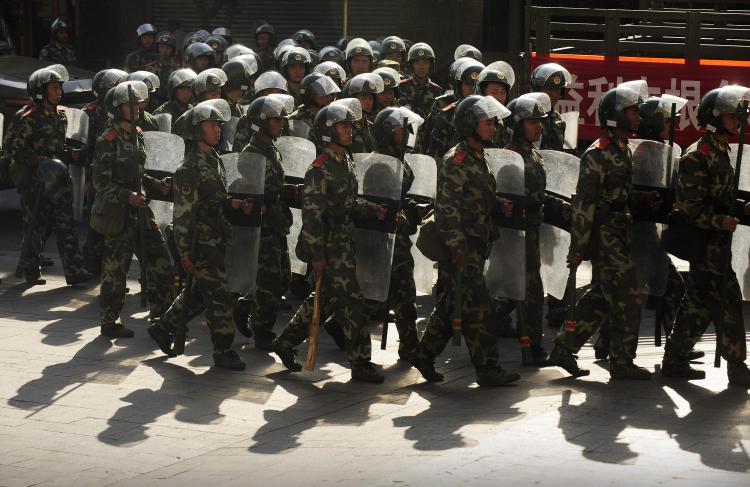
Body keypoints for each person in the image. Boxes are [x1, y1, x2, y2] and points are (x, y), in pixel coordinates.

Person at [272, 98, 388, 383]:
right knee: (353, 302)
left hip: (344, 241)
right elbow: (312, 217)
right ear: (328, 131)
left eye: (350, 126)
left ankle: (285, 341)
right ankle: (361, 362)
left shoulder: (344, 161)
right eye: (343, 127)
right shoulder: (319, 168)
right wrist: (318, 255)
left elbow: (348, 203)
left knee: (324, 300)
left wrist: (374, 210)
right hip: (329, 245)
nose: (349, 131)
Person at [545, 82, 656, 380]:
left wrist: (640, 198)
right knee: (629, 295)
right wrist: (577, 248)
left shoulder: (622, 148)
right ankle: (622, 361)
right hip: (606, 236)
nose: (637, 116)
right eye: (632, 111)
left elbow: (617, 192)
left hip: (620, 232)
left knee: (602, 296)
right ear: (616, 115)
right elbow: (585, 203)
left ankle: (564, 347)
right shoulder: (598, 153)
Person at [409, 95, 520, 387]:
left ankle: (423, 353)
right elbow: (447, 208)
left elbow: (476, 197)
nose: (493, 127)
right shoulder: (456, 160)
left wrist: (497, 204)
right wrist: (457, 247)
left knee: (453, 305)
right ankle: (488, 368)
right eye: (487, 122)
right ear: (470, 124)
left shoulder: (477, 155)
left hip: (476, 243)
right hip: (463, 248)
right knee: (479, 308)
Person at [147, 99, 248, 371]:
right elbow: (183, 215)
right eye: (211, 125)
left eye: (218, 124)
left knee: (201, 294)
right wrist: (185, 253)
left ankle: (163, 327)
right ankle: (223, 350)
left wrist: (233, 204)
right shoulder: (189, 168)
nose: (218, 129)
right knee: (220, 295)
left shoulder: (214, 159)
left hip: (217, 238)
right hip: (200, 243)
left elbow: (216, 199)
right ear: (196, 131)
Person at [661, 85, 750, 386]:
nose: (738, 119)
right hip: (705, 244)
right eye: (731, 114)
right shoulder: (698, 156)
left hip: (717, 243)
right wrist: (718, 220)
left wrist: (740, 207)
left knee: (697, 304)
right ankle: (737, 365)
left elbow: (719, 197)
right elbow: (687, 207)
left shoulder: (721, 151)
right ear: (715, 118)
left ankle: (674, 359)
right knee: (728, 300)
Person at [90, 80, 173, 338]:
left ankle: (162, 316)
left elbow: (138, 172)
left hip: (140, 211)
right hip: (117, 213)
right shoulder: (107, 139)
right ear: (117, 108)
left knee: (161, 261)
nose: (137, 107)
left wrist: (153, 183)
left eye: (137, 103)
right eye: (130, 104)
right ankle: (109, 320)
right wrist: (127, 197)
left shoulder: (137, 133)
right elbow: (100, 183)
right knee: (116, 269)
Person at [497, 92, 570, 365]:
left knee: (524, 293)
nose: (540, 126)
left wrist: (560, 206)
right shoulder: (509, 157)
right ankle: (531, 348)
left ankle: (530, 345)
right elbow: (503, 197)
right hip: (514, 236)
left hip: (531, 232)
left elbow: (538, 195)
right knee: (527, 294)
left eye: (541, 121)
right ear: (517, 124)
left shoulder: (534, 155)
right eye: (532, 121)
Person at [4, 66, 90, 286]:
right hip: (36, 181)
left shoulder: (60, 115)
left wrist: (71, 154)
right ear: (40, 91)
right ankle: (31, 269)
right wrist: (38, 160)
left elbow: (57, 147)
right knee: (36, 226)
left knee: (66, 224)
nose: (59, 92)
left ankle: (75, 271)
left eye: (60, 88)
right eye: (54, 88)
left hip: (59, 179)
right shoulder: (26, 117)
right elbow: (12, 150)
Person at [235, 94, 297, 349]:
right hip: (263, 227)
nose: (280, 124)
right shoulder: (251, 153)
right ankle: (262, 331)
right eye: (275, 120)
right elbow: (254, 189)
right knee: (270, 280)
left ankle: (245, 305)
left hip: (277, 222)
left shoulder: (272, 149)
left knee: (284, 278)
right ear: (260, 122)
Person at [372, 106, 425, 360]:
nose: (407, 133)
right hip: (383, 241)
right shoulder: (381, 164)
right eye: (400, 129)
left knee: (404, 293)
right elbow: (382, 210)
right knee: (374, 297)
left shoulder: (399, 159)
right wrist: (406, 217)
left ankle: (409, 345)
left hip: (398, 240)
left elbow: (399, 199)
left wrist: (413, 207)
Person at [398, 42, 443, 120]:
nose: (421, 67)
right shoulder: (401, 87)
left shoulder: (437, 90)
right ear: (411, 65)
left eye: (425, 63)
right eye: (417, 63)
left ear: (431, 65)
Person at [147, 32, 182, 109]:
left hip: (171, 106)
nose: (164, 50)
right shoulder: (149, 68)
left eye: (168, 47)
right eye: (162, 47)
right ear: (158, 48)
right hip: (152, 106)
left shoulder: (177, 71)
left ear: (172, 49)